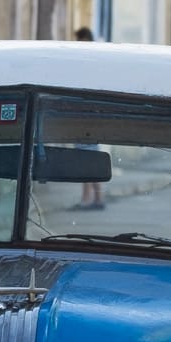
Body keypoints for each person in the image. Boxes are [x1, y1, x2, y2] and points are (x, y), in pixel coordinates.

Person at [72, 28, 105, 209]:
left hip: (89, 118)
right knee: (85, 159)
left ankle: (94, 198)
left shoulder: (91, 63)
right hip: (82, 118)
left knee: (88, 159)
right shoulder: (82, 63)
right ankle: (90, 198)